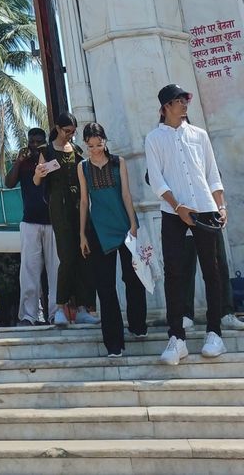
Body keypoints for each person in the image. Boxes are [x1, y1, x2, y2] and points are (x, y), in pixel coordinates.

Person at [145, 83, 227, 365]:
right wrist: (177, 206)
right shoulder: (154, 138)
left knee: (211, 271)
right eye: (179, 100)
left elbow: (212, 173)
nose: (184, 104)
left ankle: (214, 333)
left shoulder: (199, 135)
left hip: (205, 208)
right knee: (174, 272)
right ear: (166, 106)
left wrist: (221, 205)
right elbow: (157, 180)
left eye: (185, 100)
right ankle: (176, 338)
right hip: (173, 212)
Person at [78, 123, 147, 358]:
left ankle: (138, 325)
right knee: (106, 288)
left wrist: (134, 224)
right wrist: (82, 234)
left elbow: (126, 194)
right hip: (99, 231)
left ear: (105, 141)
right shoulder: (83, 167)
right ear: (85, 145)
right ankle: (113, 343)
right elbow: (85, 202)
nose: (95, 150)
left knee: (133, 278)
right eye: (90, 146)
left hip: (125, 226)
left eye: (99, 144)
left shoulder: (119, 162)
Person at [34, 112, 96, 326]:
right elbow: (36, 181)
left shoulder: (77, 151)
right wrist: (39, 172)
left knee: (84, 255)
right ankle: (60, 307)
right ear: (58, 129)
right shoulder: (47, 150)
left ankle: (82, 307)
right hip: (58, 206)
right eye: (67, 131)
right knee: (67, 256)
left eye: (73, 132)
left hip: (79, 204)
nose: (70, 135)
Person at [4, 127, 59, 325]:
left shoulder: (53, 161)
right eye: (31, 141)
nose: (34, 145)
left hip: (53, 221)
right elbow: (8, 183)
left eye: (38, 141)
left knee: (56, 271)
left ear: (45, 141)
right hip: (30, 222)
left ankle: (55, 313)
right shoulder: (24, 162)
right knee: (29, 271)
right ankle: (29, 315)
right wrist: (18, 161)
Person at [182, 228, 244, 332]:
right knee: (185, 269)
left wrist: (222, 210)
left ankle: (226, 313)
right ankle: (186, 315)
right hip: (185, 221)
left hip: (210, 220)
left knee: (219, 267)